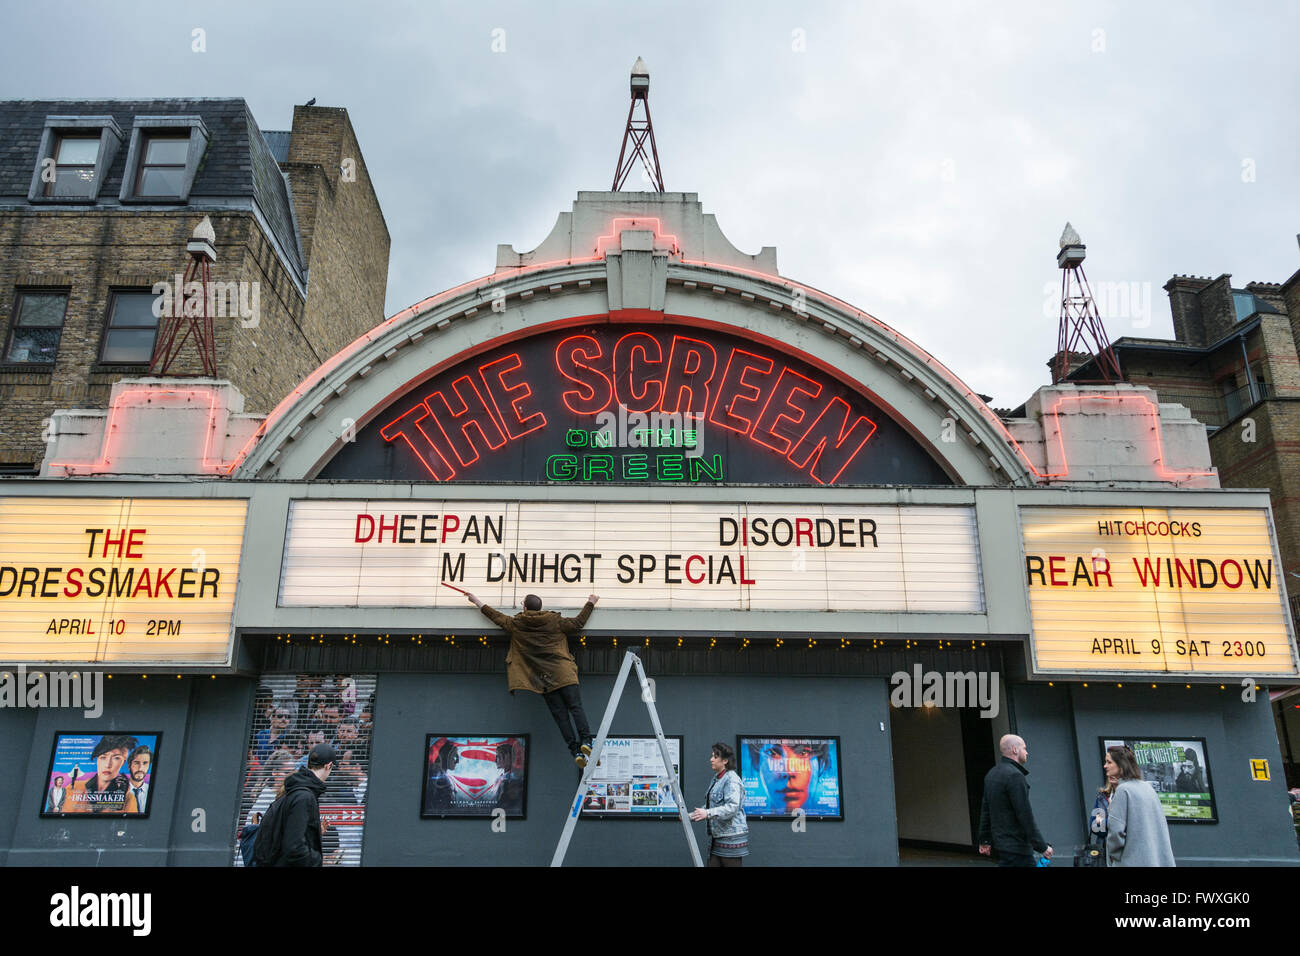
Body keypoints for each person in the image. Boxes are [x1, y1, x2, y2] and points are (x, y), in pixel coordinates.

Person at [465, 591, 599, 768]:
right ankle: (586, 741)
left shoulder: (517, 624)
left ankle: (575, 751)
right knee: (575, 707)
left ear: (525, 607)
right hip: (564, 673)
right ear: (540, 607)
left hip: (543, 680)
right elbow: (578, 623)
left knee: (561, 717)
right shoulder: (554, 621)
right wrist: (590, 602)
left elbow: (497, 617)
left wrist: (477, 601)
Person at [977, 734, 1051, 866]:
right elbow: (1024, 815)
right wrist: (1042, 846)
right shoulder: (1015, 776)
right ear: (1015, 750)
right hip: (1018, 847)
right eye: (1024, 748)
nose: (1027, 752)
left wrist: (985, 840)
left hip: (1002, 845)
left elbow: (986, 810)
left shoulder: (992, 774)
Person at [270, 742, 339, 867]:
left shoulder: (296, 789)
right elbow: (293, 846)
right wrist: (316, 860)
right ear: (329, 766)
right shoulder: (304, 796)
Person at [1105, 745, 1176, 867]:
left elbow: (1116, 832)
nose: (1105, 766)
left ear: (1121, 765)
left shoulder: (1123, 790)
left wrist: (1114, 856)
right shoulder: (1147, 787)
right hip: (1156, 860)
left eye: (1109, 762)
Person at [690, 742, 749, 866]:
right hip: (718, 839)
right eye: (712, 756)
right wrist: (689, 816)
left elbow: (732, 807)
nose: (711, 760)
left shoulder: (731, 780)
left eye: (715, 757)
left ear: (725, 761)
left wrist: (707, 813)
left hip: (731, 841)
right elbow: (712, 806)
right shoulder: (717, 778)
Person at [65, 734, 139, 814]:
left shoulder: (129, 798)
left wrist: (119, 800)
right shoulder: (74, 788)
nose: (108, 765)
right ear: (97, 760)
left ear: (123, 762)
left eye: (116, 758)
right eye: (103, 757)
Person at [1088, 747, 1122, 852]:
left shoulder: (1129, 794)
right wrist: (1114, 824)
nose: (1112, 777)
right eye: (1110, 776)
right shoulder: (1104, 797)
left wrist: (1106, 822)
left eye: (1116, 775)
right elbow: (1096, 825)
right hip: (1105, 849)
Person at [126, 745, 152, 814]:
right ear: (129, 766)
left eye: (145, 763)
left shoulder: (152, 791)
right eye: (136, 763)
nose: (140, 768)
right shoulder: (119, 791)